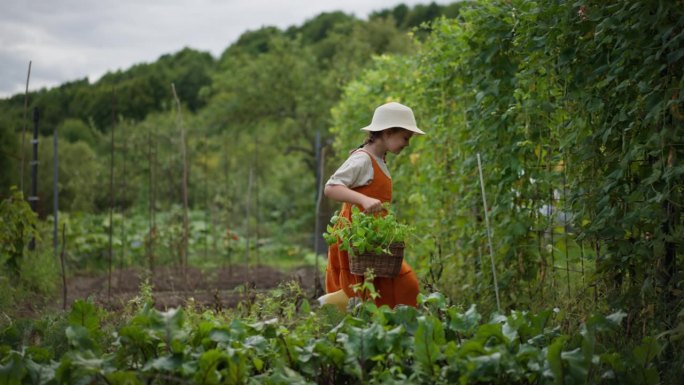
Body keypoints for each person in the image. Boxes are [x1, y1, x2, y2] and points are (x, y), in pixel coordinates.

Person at [321, 101, 424, 310]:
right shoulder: (363, 160)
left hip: (373, 239)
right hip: (358, 239)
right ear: (388, 132)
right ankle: (338, 315)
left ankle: (384, 330)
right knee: (362, 291)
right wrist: (363, 200)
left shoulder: (379, 159)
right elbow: (331, 187)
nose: (407, 144)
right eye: (406, 137)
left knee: (390, 287)